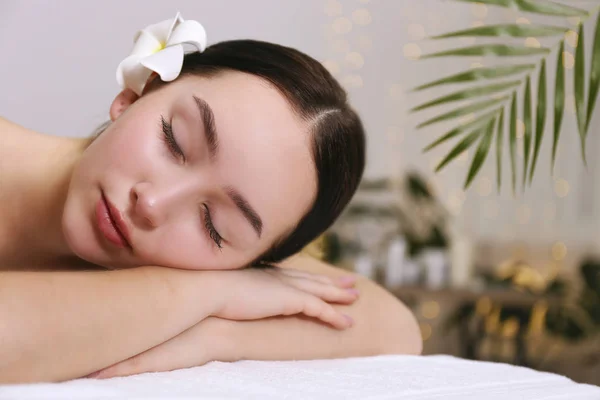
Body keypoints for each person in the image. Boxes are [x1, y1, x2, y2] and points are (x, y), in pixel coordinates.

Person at [0, 13, 421, 383]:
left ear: (253, 261)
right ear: (139, 91)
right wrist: (208, 294)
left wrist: (221, 334)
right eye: (174, 141)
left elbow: (394, 324)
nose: (152, 204)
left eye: (214, 226)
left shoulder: (211, 265)